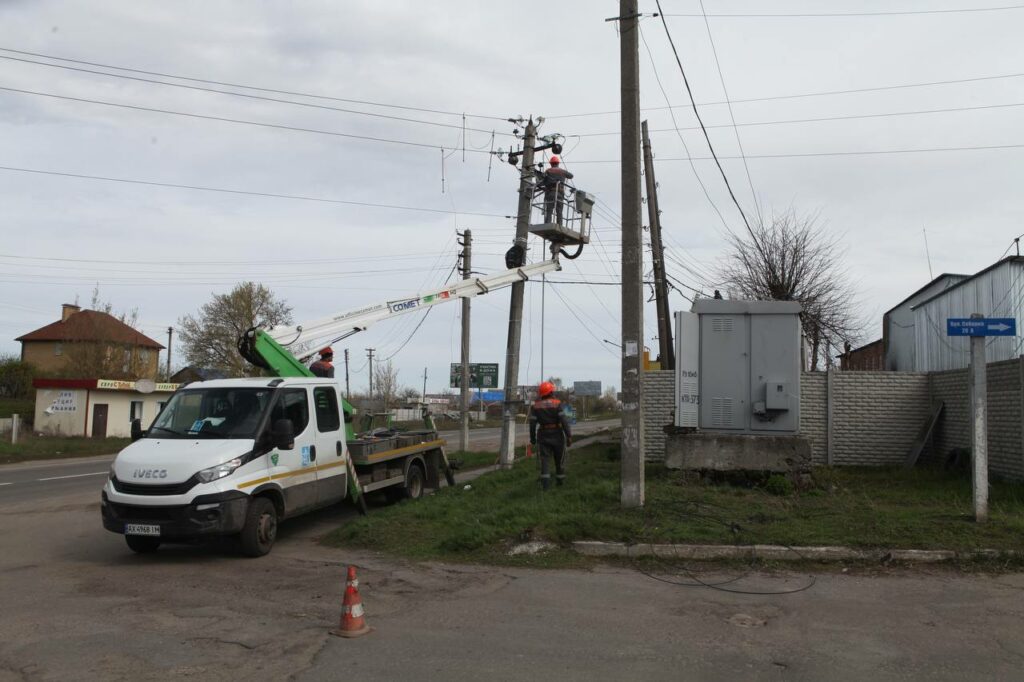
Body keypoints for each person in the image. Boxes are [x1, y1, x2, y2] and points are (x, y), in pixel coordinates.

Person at [528, 381, 572, 490]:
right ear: (551, 392)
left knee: (545, 461)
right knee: (559, 460)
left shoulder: (536, 406)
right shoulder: (557, 404)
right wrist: (569, 436)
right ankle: (560, 484)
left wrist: (533, 438)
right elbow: (564, 421)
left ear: (542, 393)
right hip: (557, 435)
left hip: (543, 436)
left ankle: (545, 487)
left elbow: (532, 424)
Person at [539, 155, 574, 225]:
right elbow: (571, 176)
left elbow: (543, 180)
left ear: (551, 164)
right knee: (559, 211)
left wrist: (537, 185)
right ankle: (559, 225)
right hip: (560, 194)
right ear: (558, 163)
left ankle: (547, 224)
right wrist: (563, 175)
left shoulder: (548, 171)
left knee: (549, 210)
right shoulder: (562, 171)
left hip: (550, 193)